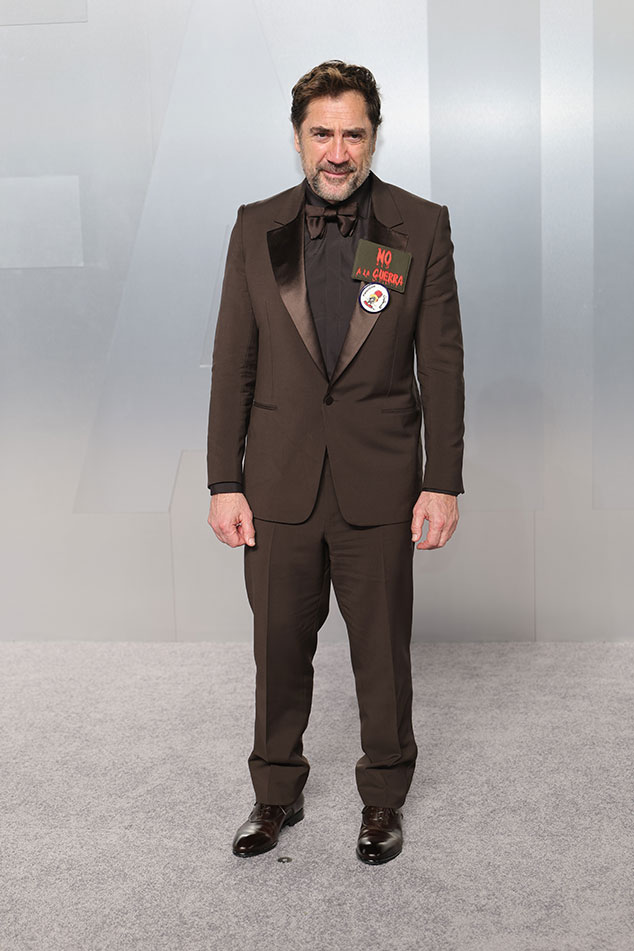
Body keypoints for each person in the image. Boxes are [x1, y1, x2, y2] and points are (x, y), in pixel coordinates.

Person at [206, 61, 464, 865]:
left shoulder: (420, 226)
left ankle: (383, 797)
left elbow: (441, 364)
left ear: (374, 137)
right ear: (298, 138)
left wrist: (442, 480)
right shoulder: (255, 227)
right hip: (277, 481)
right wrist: (224, 480)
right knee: (279, 648)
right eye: (322, 133)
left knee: (381, 652)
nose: (338, 151)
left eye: (354, 133)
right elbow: (233, 361)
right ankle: (275, 792)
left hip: (380, 481)